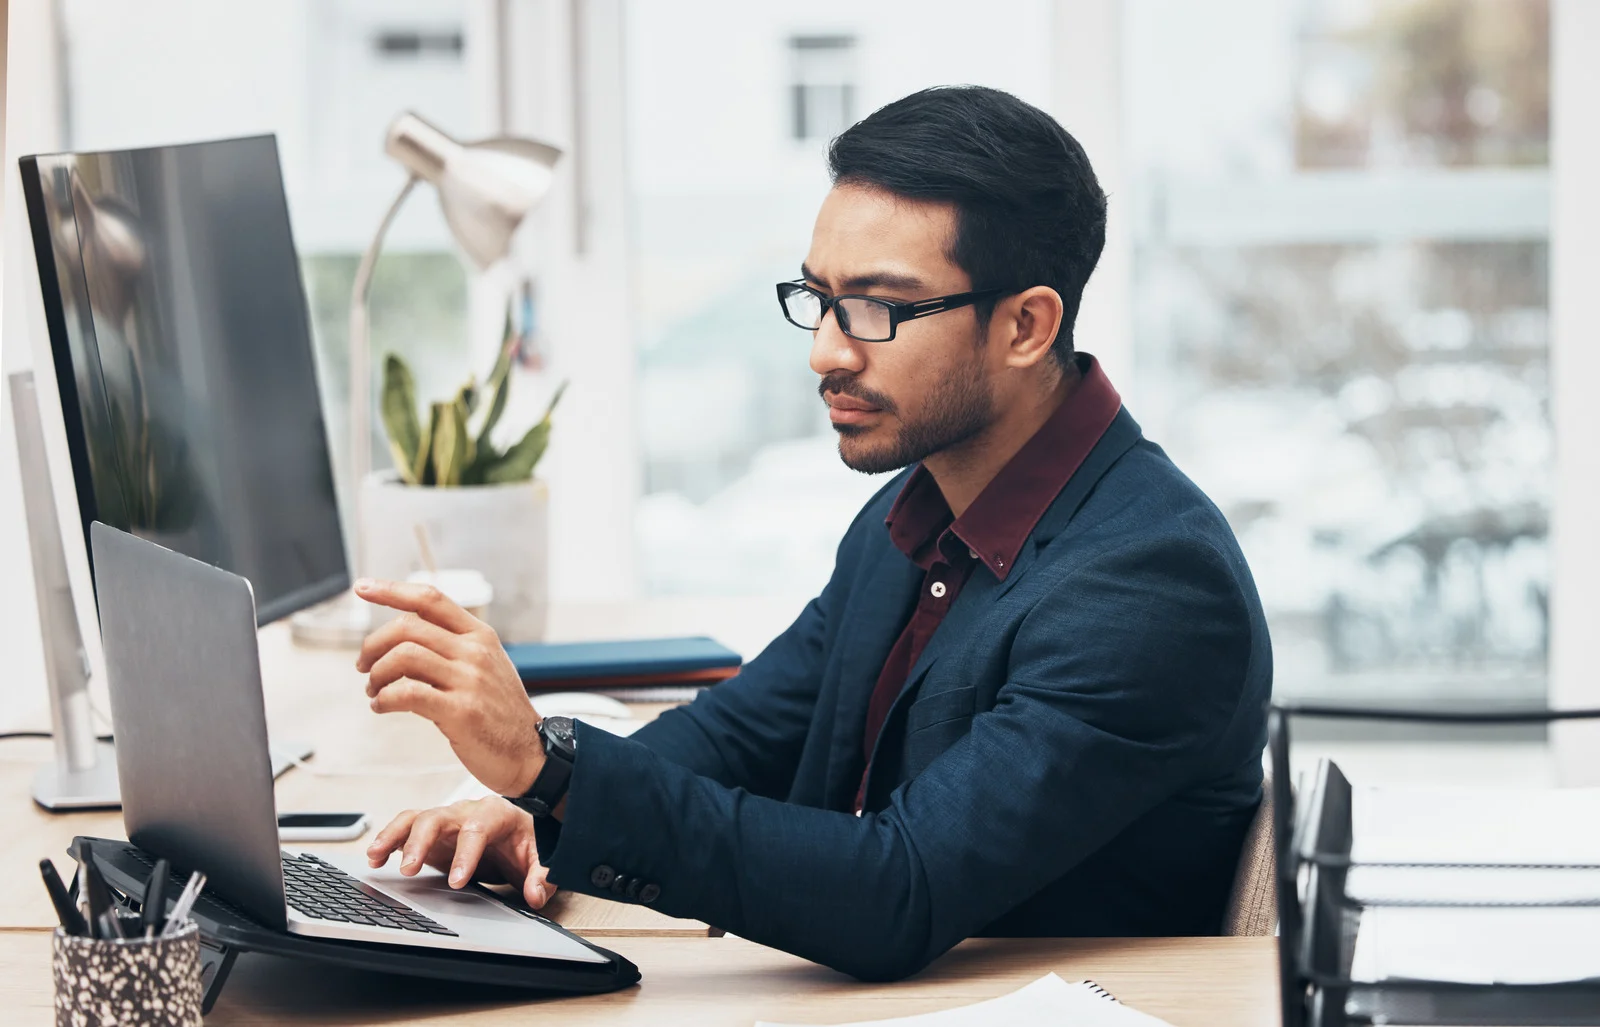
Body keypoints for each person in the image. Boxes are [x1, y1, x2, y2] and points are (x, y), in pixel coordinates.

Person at [355, 85, 1271, 982]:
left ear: (1027, 325)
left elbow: (896, 887)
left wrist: (554, 769)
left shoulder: (1150, 586)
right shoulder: (915, 509)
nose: (827, 350)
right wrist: (536, 802)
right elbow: (742, 733)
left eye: (879, 307)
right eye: (820, 297)